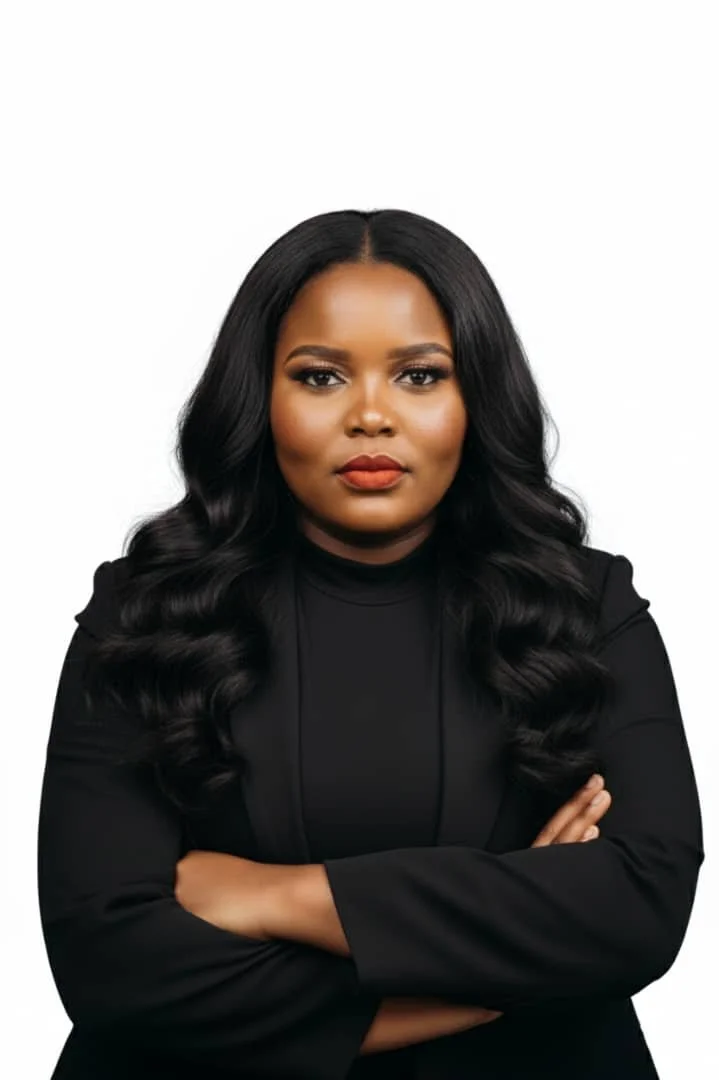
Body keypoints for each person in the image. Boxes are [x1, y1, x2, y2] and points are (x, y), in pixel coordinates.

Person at [38, 208, 704, 1079]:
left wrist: (273, 895)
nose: (370, 417)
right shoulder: (144, 614)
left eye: (420, 376)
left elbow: (640, 905)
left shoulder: (587, 607)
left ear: (477, 397)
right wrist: (489, 977)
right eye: (319, 378)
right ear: (258, 398)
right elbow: (108, 963)